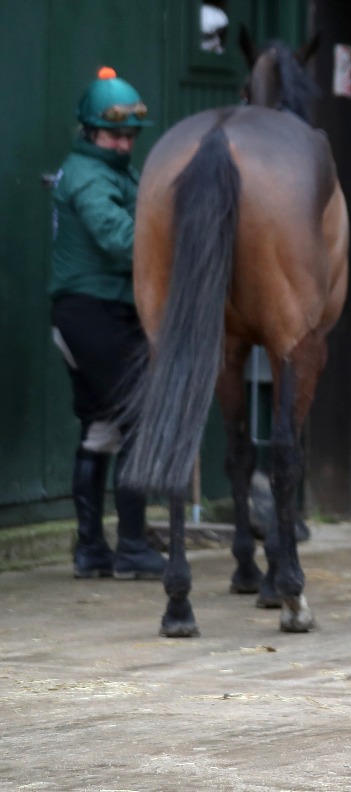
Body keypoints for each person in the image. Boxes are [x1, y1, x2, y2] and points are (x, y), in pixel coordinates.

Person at [49, 66, 166, 580]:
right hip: (91, 311)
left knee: (99, 427)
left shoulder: (113, 172)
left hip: (91, 311)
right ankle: (133, 547)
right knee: (138, 413)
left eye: (130, 135)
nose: (124, 144)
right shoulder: (89, 175)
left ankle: (92, 550)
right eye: (115, 134)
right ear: (91, 131)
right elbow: (121, 239)